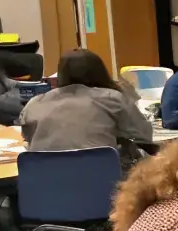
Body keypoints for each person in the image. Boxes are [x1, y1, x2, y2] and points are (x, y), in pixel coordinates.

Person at [20, 48, 152, 160]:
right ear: (100, 72)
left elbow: (29, 140)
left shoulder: (35, 103)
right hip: (101, 181)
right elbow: (144, 135)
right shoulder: (112, 98)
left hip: (44, 184)